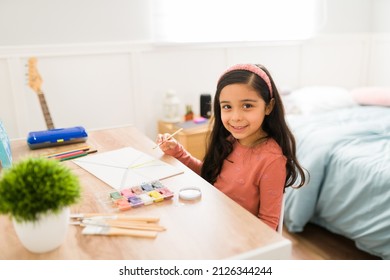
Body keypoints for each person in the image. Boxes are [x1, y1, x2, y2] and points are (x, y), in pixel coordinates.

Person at [156, 63, 307, 231]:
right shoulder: (229, 140)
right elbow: (208, 175)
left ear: (269, 107)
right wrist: (177, 151)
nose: (235, 117)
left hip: (238, 237)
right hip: (212, 221)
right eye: (227, 107)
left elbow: (268, 225)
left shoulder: (272, 160)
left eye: (247, 106)